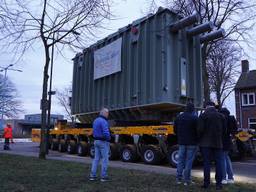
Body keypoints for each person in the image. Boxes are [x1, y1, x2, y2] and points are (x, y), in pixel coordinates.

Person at [198, 101, 226, 190]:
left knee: (206, 163)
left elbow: (200, 130)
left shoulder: (203, 116)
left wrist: (200, 139)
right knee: (219, 163)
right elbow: (225, 131)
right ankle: (219, 184)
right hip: (218, 143)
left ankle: (206, 183)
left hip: (205, 143)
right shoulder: (221, 116)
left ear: (206, 106)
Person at [174, 102, 198, 186]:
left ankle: (178, 178)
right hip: (192, 143)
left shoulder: (179, 117)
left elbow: (175, 130)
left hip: (182, 142)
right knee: (189, 161)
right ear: (193, 109)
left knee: (180, 160)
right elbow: (198, 130)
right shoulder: (195, 118)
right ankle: (187, 180)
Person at [89, 108, 111, 182]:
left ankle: (92, 176)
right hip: (103, 142)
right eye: (107, 113)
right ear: (104, 113)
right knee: (105, 159)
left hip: (96, 141)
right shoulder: (104, 121)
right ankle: (103, 176)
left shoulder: (95, 120)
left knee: (96, 159)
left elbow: (93, 131)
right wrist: (109, 138)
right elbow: (106, 132)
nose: (108, 115)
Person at [220, 108, 237, 184]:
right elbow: (235, 130)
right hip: (228, 141)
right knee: (226, 158)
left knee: (223, 159)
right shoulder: (232, 118)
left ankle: (224, 178)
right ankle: (230, 177)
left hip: (221, 141)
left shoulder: (221, 118)